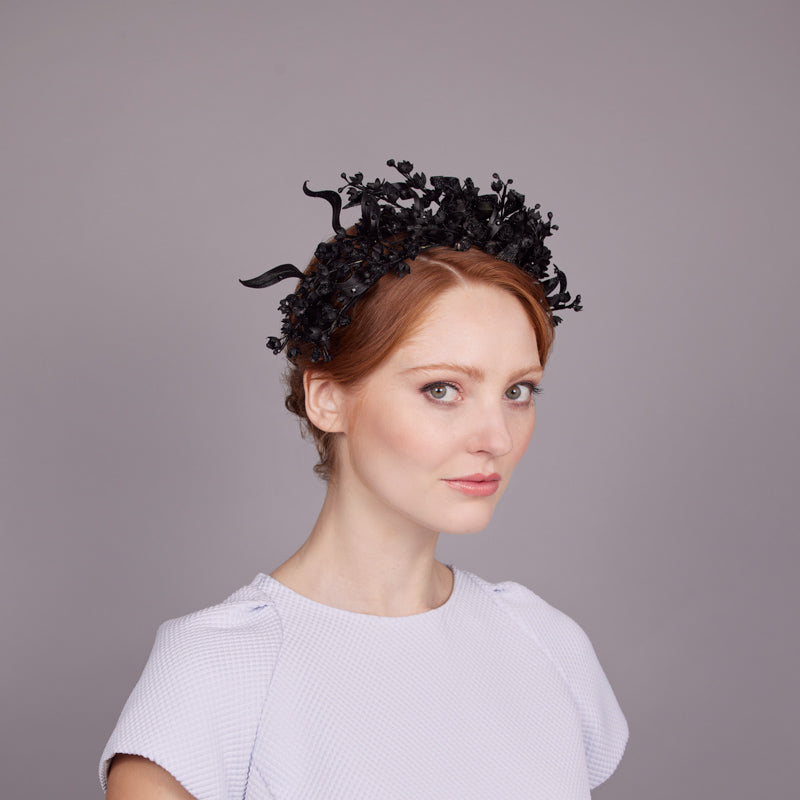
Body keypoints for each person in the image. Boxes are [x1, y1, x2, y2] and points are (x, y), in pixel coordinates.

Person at [100, 161, 628, 800]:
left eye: (518, 391)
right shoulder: (218, 671)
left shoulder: (545, 643)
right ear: (326, 399)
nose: (496, 437)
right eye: (442, 389)